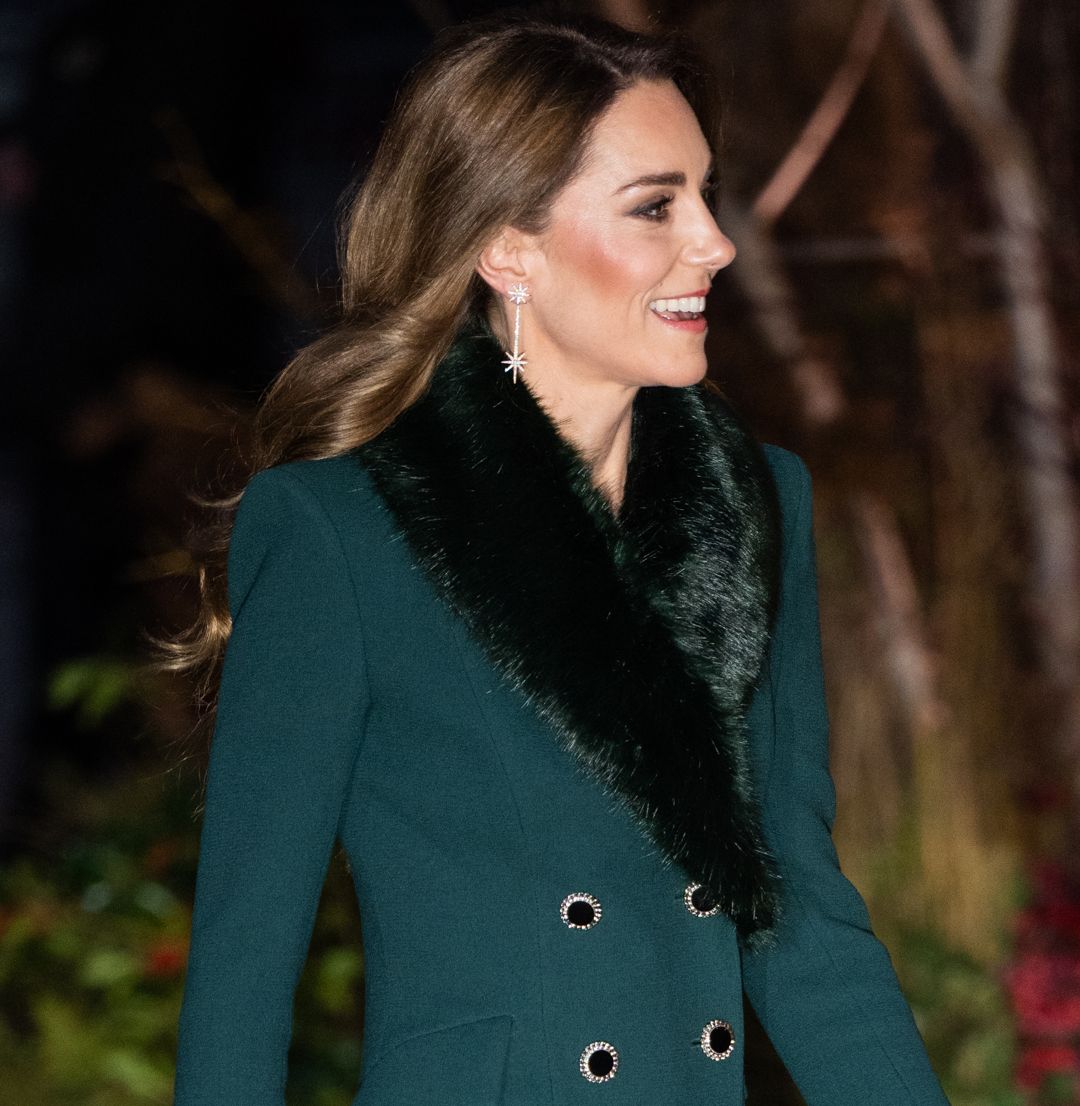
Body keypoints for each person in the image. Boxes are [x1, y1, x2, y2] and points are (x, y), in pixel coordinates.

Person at [168, 10, 952, 1105]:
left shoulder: (756, 503)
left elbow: (798, 912)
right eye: (655, 205)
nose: (715, 242)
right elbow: (244, 972)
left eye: (706, 193)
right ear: (509, 251)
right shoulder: (340, 531)